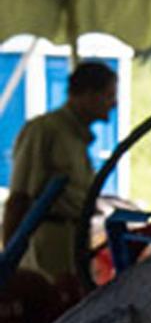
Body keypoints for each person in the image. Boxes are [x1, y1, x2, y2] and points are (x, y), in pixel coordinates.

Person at [2, 61, 118, 282]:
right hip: (48, 244)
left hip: (75, 242)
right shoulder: (44, 131)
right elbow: (19, 199)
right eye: (108, 96)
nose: (113, 104)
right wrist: (10, 267)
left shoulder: (78, 138)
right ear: (87, 94)